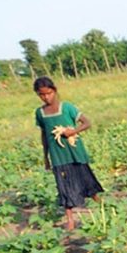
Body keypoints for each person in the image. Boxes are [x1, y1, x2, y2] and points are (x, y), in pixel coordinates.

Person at [33, 76, 103, 230]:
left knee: (85, 178)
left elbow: (87, 123)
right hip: (58, 156)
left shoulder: (67, 107)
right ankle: (70, 219)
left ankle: (100, 202)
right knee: (63, 185)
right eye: (42, 95)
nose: (46, 97)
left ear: (55, 91)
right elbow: (44, 135)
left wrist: (72, 131)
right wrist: (46, 157)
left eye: (49, 93)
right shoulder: (40, 113)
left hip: (75, 151)